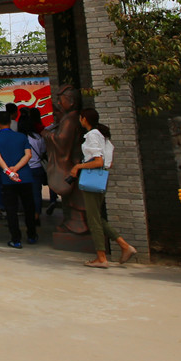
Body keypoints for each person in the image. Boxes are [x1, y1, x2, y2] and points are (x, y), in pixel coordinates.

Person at [68, 108, 137, 267]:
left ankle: (101, 257)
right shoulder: (102, 136)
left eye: (81, 117)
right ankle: (124, 246)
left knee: (93, 219)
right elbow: (108, 161)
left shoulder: (92, 135)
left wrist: (78, 166)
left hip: (93, 176)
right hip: (101, 177)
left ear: (84, 119)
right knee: (97, 216)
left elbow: (98, 161)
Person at [0, 110, 35, 248]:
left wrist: (9, 171)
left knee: (11, 210)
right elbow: (28, 155)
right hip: (25, 176)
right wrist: (17, 168)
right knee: (28, 208)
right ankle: (32, 235)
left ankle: (16, 239)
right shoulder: (21, 137)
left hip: (8, 179)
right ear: (10, 121)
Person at [18, 107, 49, 222]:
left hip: (23, 169)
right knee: (36, 193)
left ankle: (26, 212)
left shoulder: (20, 139)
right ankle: (36, 214)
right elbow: (42, 151)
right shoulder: (37, 137)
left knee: (24, 193)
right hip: (37, 168)